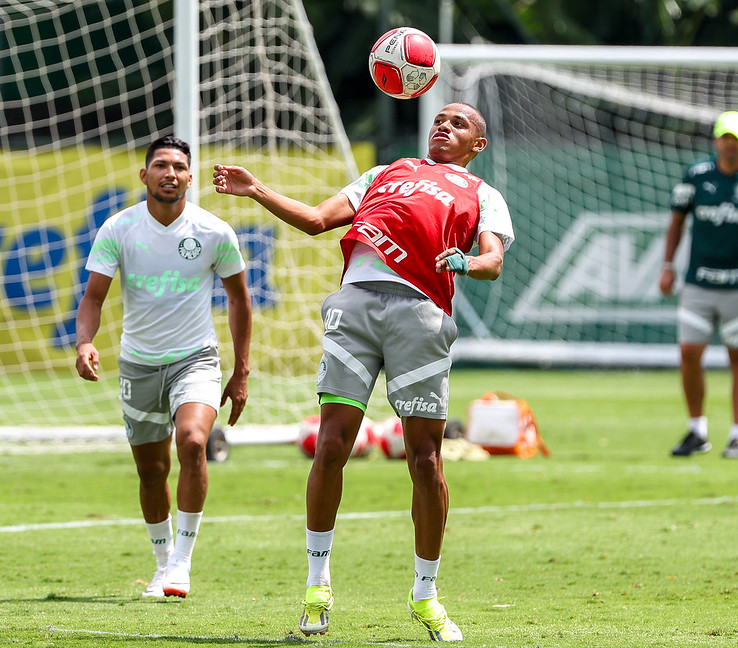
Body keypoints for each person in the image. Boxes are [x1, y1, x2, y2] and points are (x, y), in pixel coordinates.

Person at [213, 103, 513, 641]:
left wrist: (466, 262)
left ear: (478, 145)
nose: (444, 125)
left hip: (421, 316)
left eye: (459, 123)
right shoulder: (386, 173)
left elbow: (492, 261)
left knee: (425, 460)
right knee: (331, 446)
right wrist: (256, 189)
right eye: (440, 118)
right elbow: (315, 221)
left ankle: (426, 596)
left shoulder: (483, 194)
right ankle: (317, 586)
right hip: (353, 308)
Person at [75, 136, 252, 598]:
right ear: (144, 176)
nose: (169, 173)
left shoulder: (215, 231)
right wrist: (84, 342)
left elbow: (239, 300)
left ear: (191, 177)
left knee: (193, 442)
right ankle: (160, 563)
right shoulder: (118, 228)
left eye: (178, 166)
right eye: (160, 165)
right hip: (138, 365)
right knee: (152, 471)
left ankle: (182, 564)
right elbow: (93, 298)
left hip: (195, 359)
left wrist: (242, 370)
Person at [659, 111, 738, 460]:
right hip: (698, 283)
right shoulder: (696, 177)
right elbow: (676, 223)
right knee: (688, 354)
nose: (731, 144)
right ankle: (697, 430)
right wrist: (668, 267)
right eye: (725, 137)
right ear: (716, 140)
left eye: (737, 138)